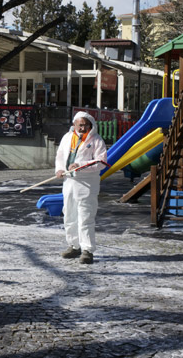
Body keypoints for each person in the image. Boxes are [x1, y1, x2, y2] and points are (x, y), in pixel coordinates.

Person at [54, 112, 107, 264]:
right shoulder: (67, 137)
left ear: (91, 125)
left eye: (86, 125)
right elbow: (60, 155)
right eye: (80, 125)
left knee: (85, 216)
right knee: (69, 214)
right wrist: (59, 169)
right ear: (74, 124)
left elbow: (101, 162)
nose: (83, 128)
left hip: (87, 183)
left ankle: (87, 250)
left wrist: (80, 166)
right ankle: (74, 245)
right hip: (69, 181)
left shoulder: (96, 140)